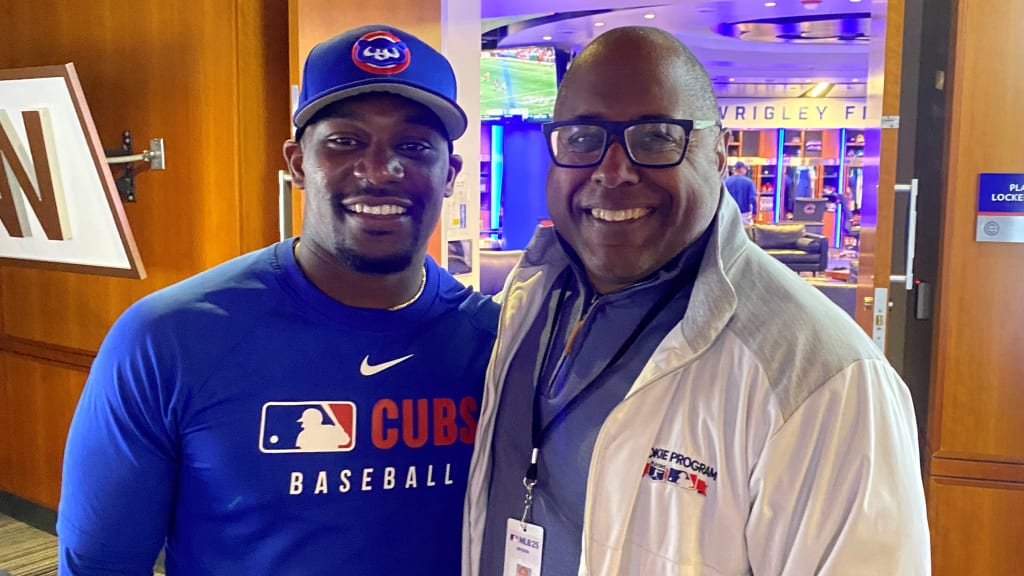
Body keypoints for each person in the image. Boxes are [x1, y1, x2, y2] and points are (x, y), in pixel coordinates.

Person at [463, 26, 929, 575]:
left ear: (719, 153)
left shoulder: (823, 376)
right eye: (583, 137)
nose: (613, 172)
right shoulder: (527, 305)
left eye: (657, 136)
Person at [57, 24, 498, 575]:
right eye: (345, 141)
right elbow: (100, 564)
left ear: (450, 173)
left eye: (413, 147)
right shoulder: (168, 338)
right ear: (296, 162)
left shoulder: (497, 344)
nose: (381, 170)